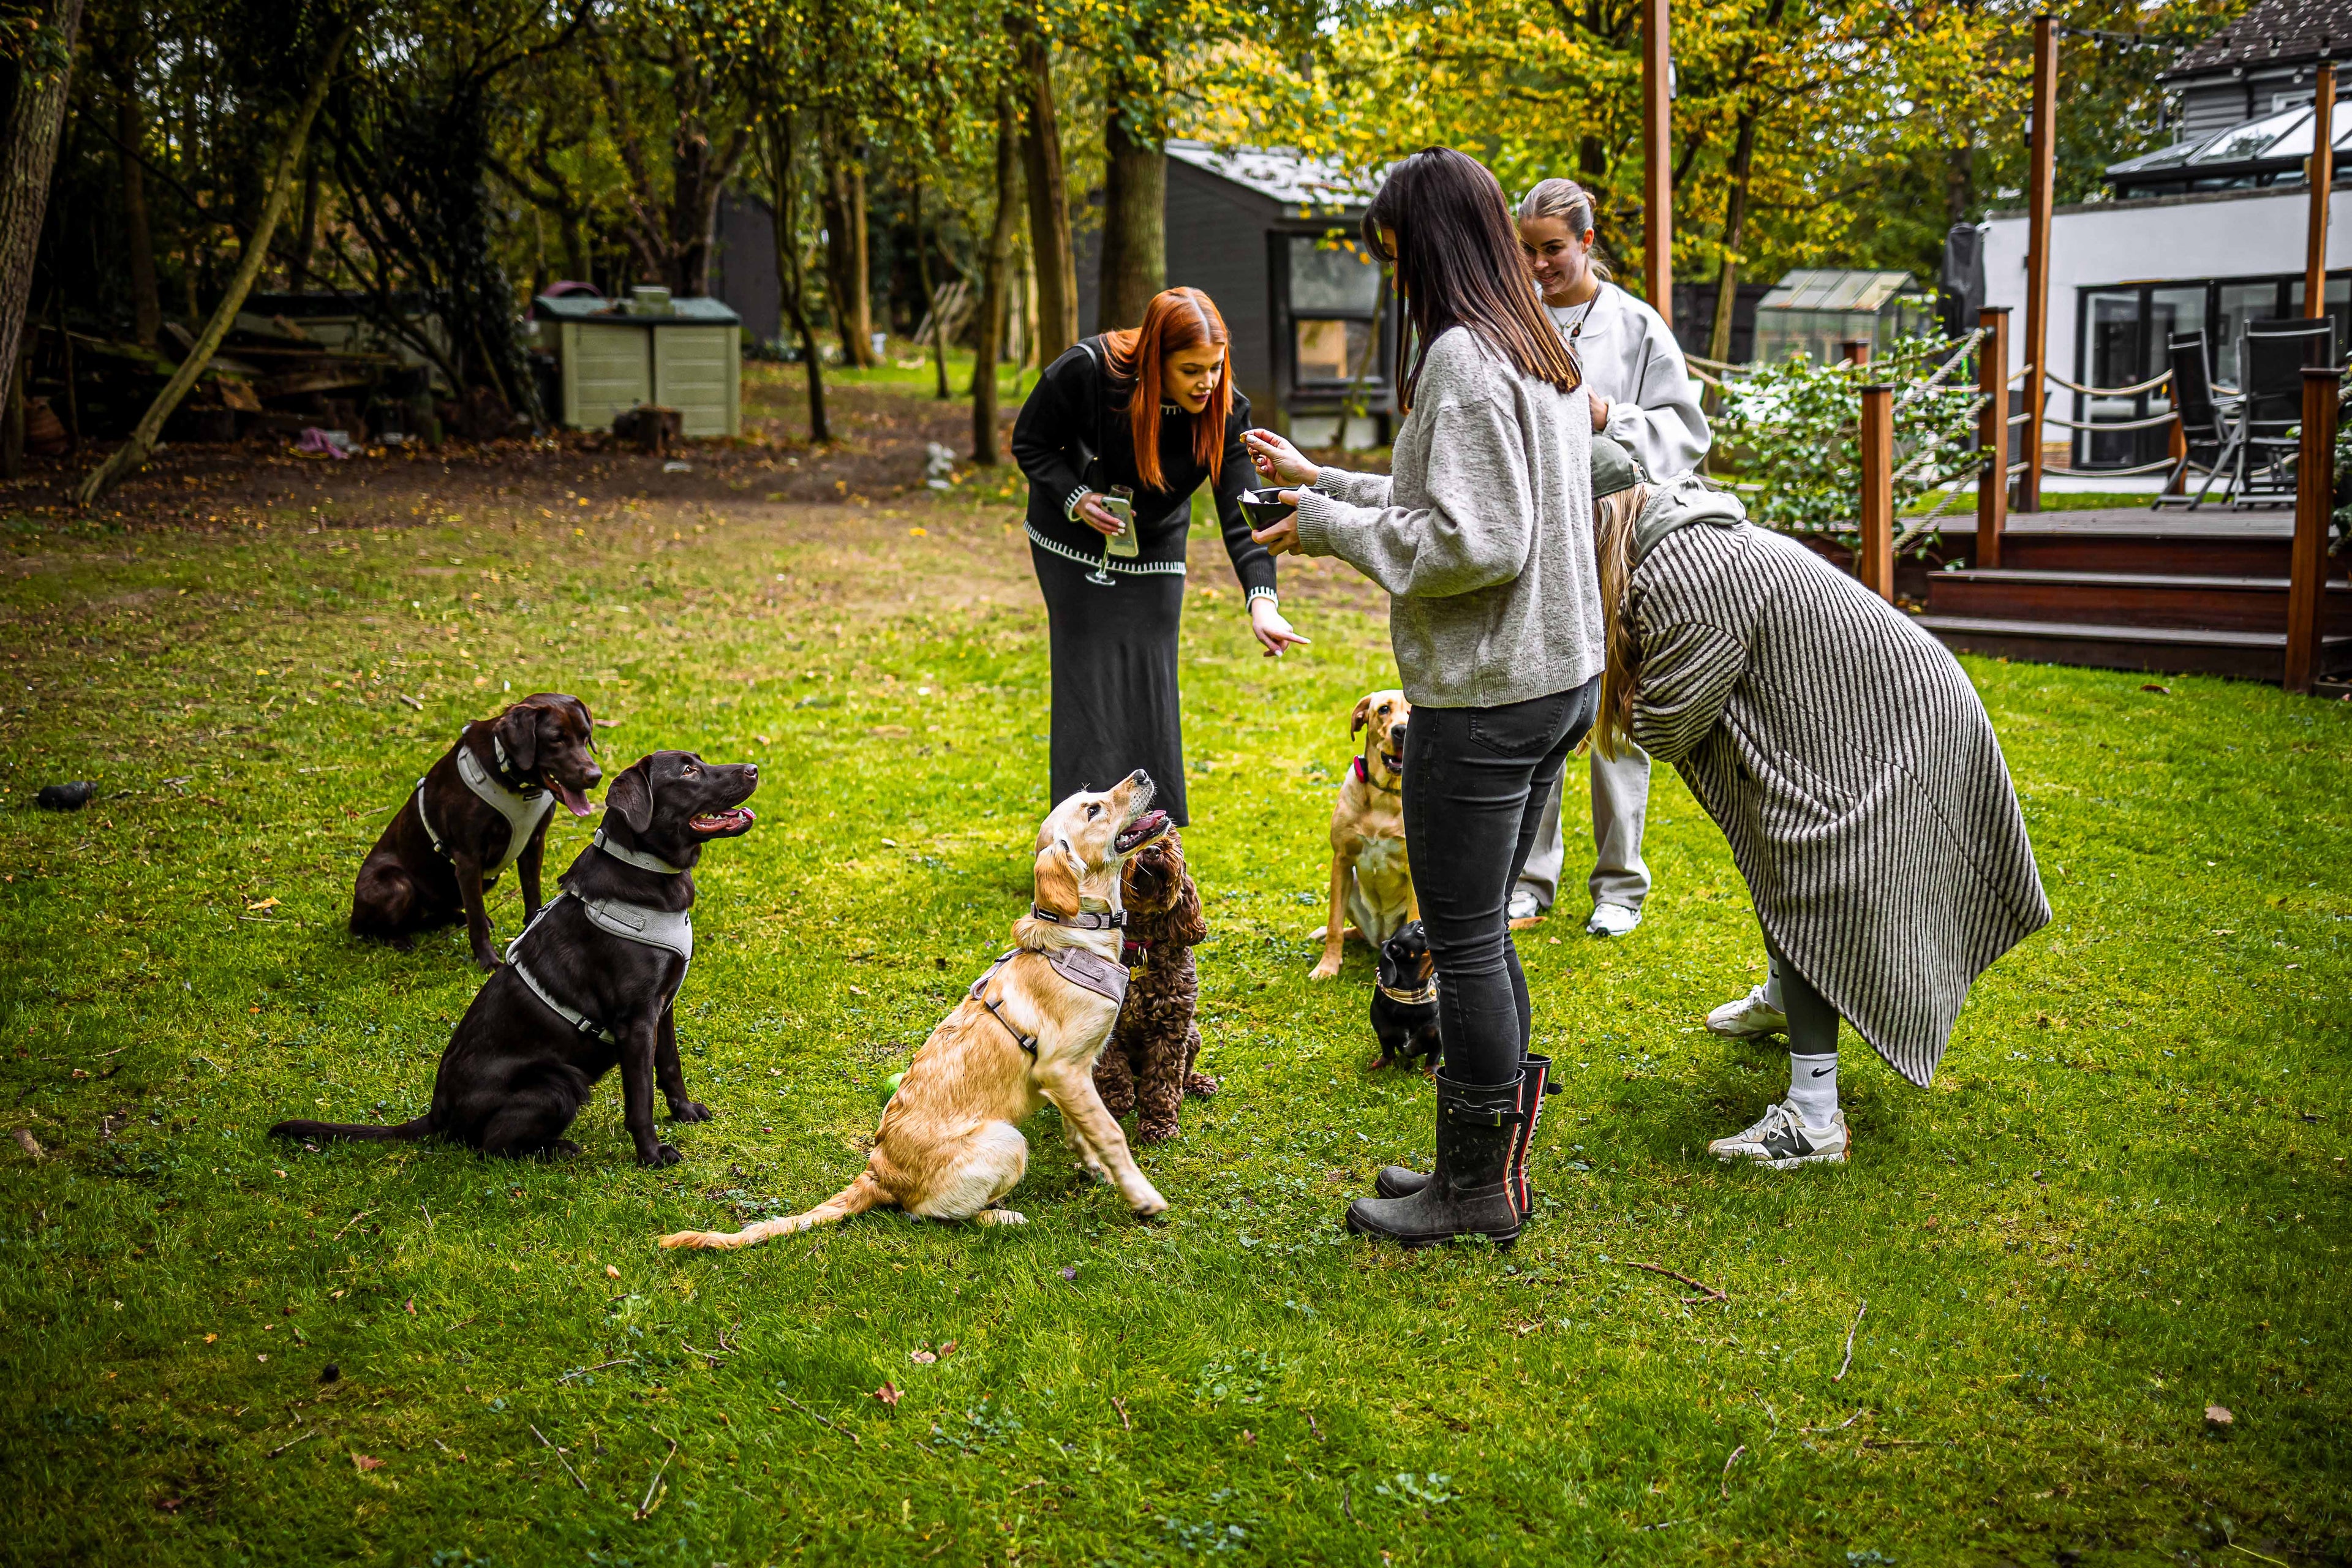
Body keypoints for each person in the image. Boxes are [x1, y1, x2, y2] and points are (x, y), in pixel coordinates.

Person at [1243, 147, 1603, 1246]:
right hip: (1556, 680)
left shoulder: (1461, 355)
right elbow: (1440, 493)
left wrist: (1323, 531)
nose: (1390, 268)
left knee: (1467, 938)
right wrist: (1322, 480)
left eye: (1394, 247)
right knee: (1481, 930)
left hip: (1491, 700)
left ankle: (1477, 1191)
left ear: (1429, 243)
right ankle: (1474, 1160)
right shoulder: (1532, 344)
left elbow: (1474, 541)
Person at [1581, 437, 2050, 1166]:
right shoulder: (1676, 543)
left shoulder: (1682, 574)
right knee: (1779, 837)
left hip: (1898, 728)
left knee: (1810, 865)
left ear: (1599, 524)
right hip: (1887, 704)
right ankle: (1788, 991)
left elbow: (1669, 726)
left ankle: (1813, 1118)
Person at [1011, 287, 1308, 826]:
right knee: (1090, 685)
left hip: (1155, 544)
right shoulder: (1087, 370)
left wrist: (1262, 601)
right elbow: (1030, 442)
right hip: (1072, 541)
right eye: (1191, 369)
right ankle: (1082, 842)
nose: (1208, 382)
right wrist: (1076, 499)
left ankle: (1148, 844)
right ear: (1155, 360)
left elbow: (1244, 512)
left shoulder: (1224, 409)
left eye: (1216, 367)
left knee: (1151, 688)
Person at [1507, 178, 1711, 939]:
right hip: (1535, 529)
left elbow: (1685, 431)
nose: (1537, 265)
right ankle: (1532, 876)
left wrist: (1609, 414)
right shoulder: (1511, 318)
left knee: (1615, 703)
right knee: (1542, 700)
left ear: (1587, 243)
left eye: (1552, 250)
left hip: (1616, 529)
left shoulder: (1635, 324)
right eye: (1526, 250)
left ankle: (1619, 885)